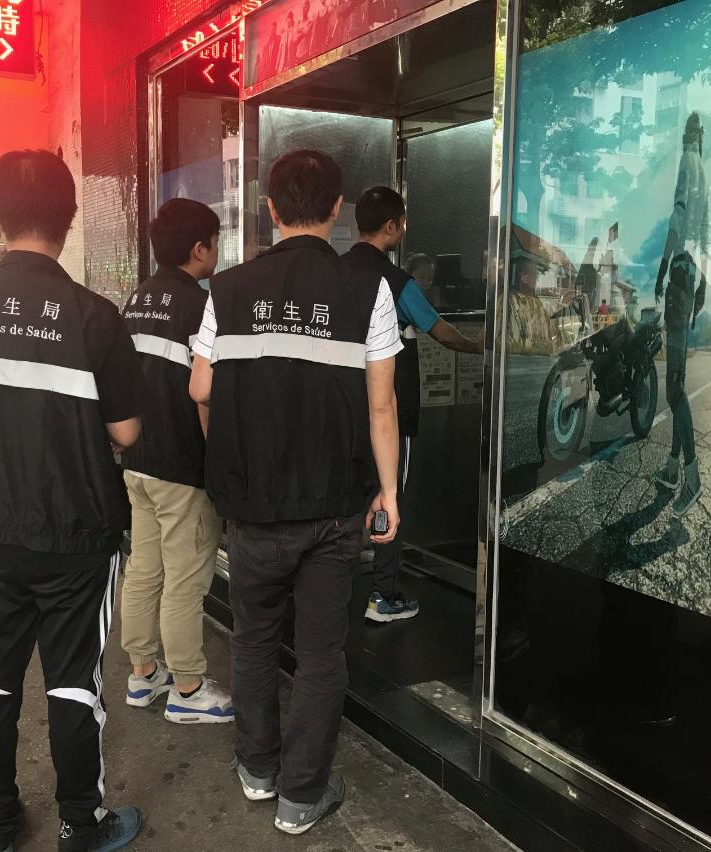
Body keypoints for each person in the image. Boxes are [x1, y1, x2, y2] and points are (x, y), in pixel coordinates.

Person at [0, 149, 146, 852]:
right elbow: (127, 431)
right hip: (77, 535)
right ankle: (81, 823)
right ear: (68, 218)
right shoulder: (93, 316)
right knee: (73, 682)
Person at [190, 149, 402, 835]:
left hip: (252, 506)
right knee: (320, 653)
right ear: (337, 209)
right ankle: (302, 795)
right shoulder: (367, 290)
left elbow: (200, 387)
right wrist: (389, 492)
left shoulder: (227, 290)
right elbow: (381, 405)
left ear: (271, 209)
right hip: (335, 509)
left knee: (253, 639)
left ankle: (257, 770)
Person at [343, 187, 483, 624]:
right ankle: (383, 596)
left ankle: (332, 590)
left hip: (342, 409)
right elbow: (438, 330)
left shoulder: (335, 271)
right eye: (402, 222)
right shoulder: (396, 282)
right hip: (389, 412)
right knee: (388, 498)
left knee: (345, 498)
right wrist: (479, 346)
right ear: (391, 226)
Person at [119, 199, 233, 724]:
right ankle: (187, 686)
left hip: (138, 460)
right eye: (216, 241)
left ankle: (143, 674)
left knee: (144, 569)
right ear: (200, 248)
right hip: (182, 464)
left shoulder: (137, 298)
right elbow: (205, 395)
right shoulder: (202, 306)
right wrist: (219, 463)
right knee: (186, 579)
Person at [654, 111, 709, 517]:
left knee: (673, 388)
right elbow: (705, 234)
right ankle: (672, 467)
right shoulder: (705, 174)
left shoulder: (686, 164)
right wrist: (703, 284)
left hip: (677, 275)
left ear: (690, 137)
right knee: (679, 382)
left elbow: (677, 219)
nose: (689, 140)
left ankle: (692, 475)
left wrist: (661, 270)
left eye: (689, 134)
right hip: (693, 279)